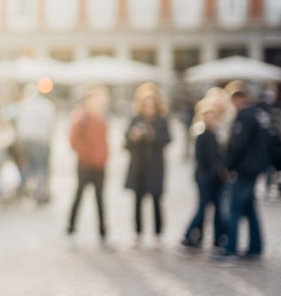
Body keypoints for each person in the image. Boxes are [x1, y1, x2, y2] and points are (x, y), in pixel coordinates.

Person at [214, 81, 272, 260]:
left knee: (235, 209)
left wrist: (227, 166)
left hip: (244, 170)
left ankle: (230, 248)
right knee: (249, 208)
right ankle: (255, 246)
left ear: (239, 99)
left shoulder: (245, 117)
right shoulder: (259, 115)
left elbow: (238, 145)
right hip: (256, 168)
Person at [123, 83, 172, 247]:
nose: (148, 106)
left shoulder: (161, 120)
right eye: (145, 103)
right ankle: (138, 233)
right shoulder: (135, 118)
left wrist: (153, 136)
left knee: (157, 200)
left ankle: (158, 233)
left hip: (155, 166)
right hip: (139, 167)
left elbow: (168, 140)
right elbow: (125, 143)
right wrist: (133, 137)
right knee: (137, 201)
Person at [66, 85, 111, 247]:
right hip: (85, 165)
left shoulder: (102, 117)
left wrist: (104, 157)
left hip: (100, 166)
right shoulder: (81, 117)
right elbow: (73, 141)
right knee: (79, 197)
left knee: (100, 200)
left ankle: (103, 233)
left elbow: (104, 141)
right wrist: (88, 155)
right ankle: (70, 231)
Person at [180, 97, 227, 249]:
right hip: (205, 177)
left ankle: (216, 237)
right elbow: (204, 158)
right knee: (203, 207)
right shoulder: (203, 134)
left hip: (214, 178)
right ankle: (190, 235)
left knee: (216, 208)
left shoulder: (217, 134)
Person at [15, 83, 56, 205]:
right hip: (40, 139)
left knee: (27, 166)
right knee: (40, 167)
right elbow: (50, 125)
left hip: (25, 139)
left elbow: (19, 122)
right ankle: (39, 193)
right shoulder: (48, 106)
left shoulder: (25, 105)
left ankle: (21, 188)